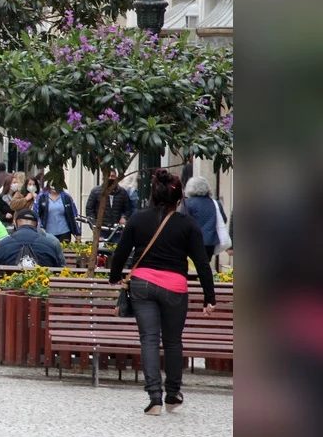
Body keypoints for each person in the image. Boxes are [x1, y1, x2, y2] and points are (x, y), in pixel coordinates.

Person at [109, 169, 217, 416]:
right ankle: (173, 394)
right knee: (172, 341)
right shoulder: (187, 224)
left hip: (142, 285)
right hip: (174, 287)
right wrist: (209, 297)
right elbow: (202, 262)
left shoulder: (138, 219)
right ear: (179, 200)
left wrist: (115, 277)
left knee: (148, 339)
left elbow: (121, 252)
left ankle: (154, 398)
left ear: (153, 195)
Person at [0, 209, 64, 267]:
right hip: (42, 280)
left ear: (16, 225)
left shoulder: (3, 244)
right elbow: (59, 268)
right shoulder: (51, 244)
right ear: (37, 226)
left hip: (9, 280)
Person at [180, 175, 226, 260]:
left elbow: (182, 223)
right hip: (210, 243)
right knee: (205, 264)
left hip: (193, 242)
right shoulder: (216, 203)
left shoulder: (187, 203)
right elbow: (224, 220)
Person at [86, 169, 131, 242]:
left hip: (117, 230)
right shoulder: (96, 192)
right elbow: (89, 210)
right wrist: (95, 226)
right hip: (101, 230)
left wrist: (124, 218)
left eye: (112, 176)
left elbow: (128, 209)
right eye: (108, 176)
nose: (110, 178)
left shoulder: (122, 192)